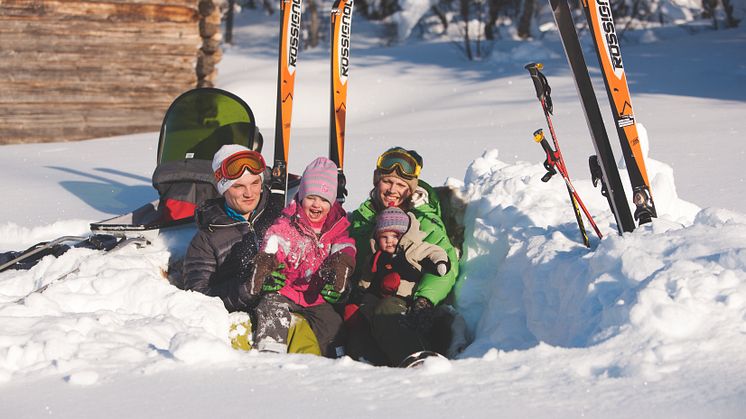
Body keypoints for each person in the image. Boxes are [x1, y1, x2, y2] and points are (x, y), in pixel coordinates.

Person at [346, 147, 460, 366]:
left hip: (412, 307)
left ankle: (421, 366)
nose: (392, 190)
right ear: (376, 181)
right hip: (371, 302)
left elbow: (445, 265)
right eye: (387, 182)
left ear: (411, 190)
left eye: (401, 185)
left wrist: (424, 301)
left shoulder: (423, 220)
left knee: (386, 311)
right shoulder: (362, 220)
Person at [250, 157, 356, 357]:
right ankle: (270, 353)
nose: (317, 205)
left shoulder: (336, 226)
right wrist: (268, 259)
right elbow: (277, 240)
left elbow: (345, 246)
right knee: (270, 306)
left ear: (332, 201)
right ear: (301, 196)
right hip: (286, 291)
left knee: (332, 324)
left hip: (316, 297)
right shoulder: (289, 222)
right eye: (311, 197)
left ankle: (338, 360)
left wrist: (341, 264)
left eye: (324, 199)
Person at [182, 144, 282, 312]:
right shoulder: (207, 237)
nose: (249, 193)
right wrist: (246, 289)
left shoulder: (279, 215)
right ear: (224, 189)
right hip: (240, 320)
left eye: (255, 183)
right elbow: (197, 297)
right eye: (239, 186)